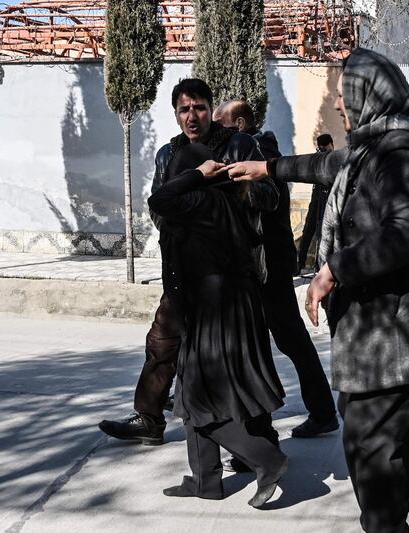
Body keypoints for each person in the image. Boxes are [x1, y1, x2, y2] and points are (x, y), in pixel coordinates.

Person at [224, 48, 409, 533]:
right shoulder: (374, 149)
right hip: (389, 326)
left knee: (370, 447)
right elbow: (328, 166)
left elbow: (405, 232)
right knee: (368, 418)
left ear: (370, 94)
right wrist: (268, 168)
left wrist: (333, 269)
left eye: (347, 93)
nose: (341, 105)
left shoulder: (403, 153)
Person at [98, 79, 278, 446]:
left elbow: (270, 197)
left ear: (211, 110)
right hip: (183, 268)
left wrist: (235, 187)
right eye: (184, 109)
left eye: (198, 107)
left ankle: (259, 438)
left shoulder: (240, 144)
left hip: (231, 272)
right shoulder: (168, 154)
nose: (191, 116)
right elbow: (159, 205)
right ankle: (149, 418)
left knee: (239, 356)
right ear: (176, 114)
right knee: (161, 342)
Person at [149, 142, 288, 508]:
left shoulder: (199, 200)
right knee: (190, 390)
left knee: (194, 399)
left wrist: (196, 175)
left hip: (215, 308)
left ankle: (266, 460)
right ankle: (205, 479)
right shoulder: (231, 199)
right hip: (231, 305)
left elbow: (158, 201)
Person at [214, 100, 339, 439]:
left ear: (238, 124)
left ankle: (308, 416)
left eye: (219, 123)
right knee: (271, 338)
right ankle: (313, 412)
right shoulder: (249, 149)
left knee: (285, 337)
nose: (214, 130)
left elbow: (265, 201)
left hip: (268, 262)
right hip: (258, 261)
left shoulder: (260, 152)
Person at [296, 134, 334, 274]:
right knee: (307, 233)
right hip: (316, 201)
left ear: (331, 145)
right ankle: (299, 264)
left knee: (322, 234)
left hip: (327, 202)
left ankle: (320, 267)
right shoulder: (318, 158)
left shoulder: (334, 159)